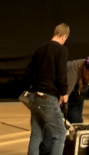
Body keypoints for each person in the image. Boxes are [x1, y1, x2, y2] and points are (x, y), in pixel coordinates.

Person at [38, 56, 89, 155]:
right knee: (52, 130)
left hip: (76, 101)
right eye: (88, 74)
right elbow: (64, 95)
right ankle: (46, 151)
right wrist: (59, 114)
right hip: (57, 97)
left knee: (76, 129)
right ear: (84, 68)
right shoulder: (74, 68)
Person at [24, 23, 70, 155]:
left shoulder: (41, 48)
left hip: (35, 97)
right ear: (64, 37)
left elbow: (28, 71)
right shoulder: (62, 50)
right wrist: (64, 94)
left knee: (36, 134)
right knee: (60, 134)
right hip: (48, 98)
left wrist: (30, 88)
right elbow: (61, 75)